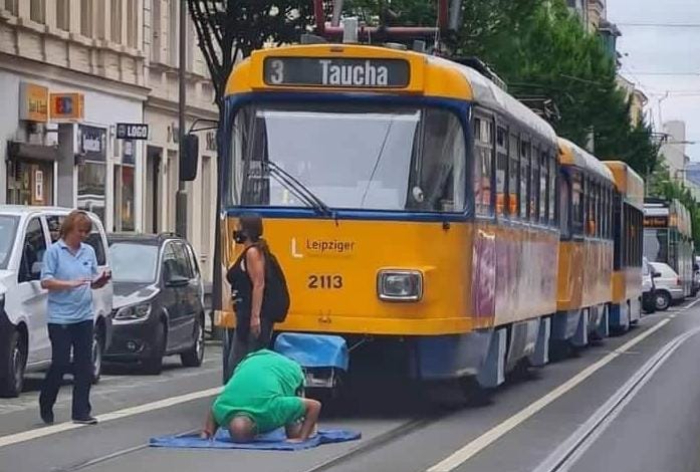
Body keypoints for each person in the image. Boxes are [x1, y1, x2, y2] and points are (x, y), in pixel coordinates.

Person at [38, 210, 111, 425]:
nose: (83, 236)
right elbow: (45, 281)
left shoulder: (88, 251)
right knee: (60, 363)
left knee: (84, 365)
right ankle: (46, 401)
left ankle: (81, 411)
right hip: (60, 317)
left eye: (86, 232)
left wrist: (100, 281)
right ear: (70, 229)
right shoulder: (54, 251)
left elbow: (91, 279)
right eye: (80, 231)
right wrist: (68, 284)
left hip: (84, 315)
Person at [201, 350, 321, 443]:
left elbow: (314, 406)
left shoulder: (272, 407)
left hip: (285, 366)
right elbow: (214, 410)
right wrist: (208, 432)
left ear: (255, 427)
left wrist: (302, 438)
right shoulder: (223, 410)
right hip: (249, 360)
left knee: (294, 434)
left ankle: (311, 429)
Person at [226, 213, 275, 371]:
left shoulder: (252, 253)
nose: (236, 231)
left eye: (239, 227)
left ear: (246, 231)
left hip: (250, 318)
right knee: (243, 362)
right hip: (244, 315)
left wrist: (255, 317)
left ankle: (242, 394)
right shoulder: (252, 251)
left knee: (238, 364)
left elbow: (258, 283)